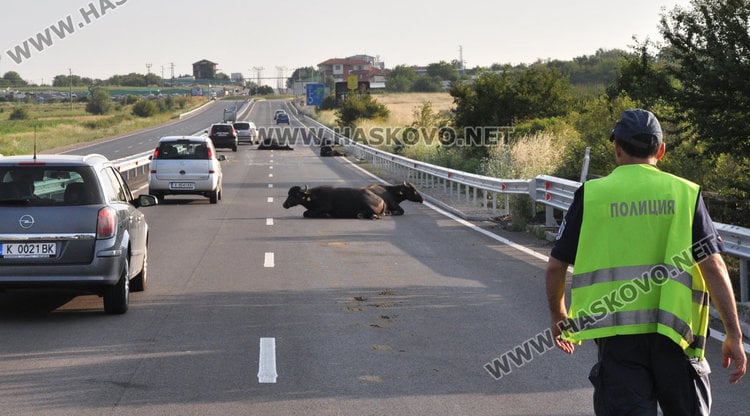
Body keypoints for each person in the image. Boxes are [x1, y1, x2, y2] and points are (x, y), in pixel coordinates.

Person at [545, 109, 746, 415]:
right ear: (661, 151)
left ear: (617, 149)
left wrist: (559, 314)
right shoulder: (685, 194)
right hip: (677, 336)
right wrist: (734, 333)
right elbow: (714, 267)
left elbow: (556, 266)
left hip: (617, 341)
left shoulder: (592, 195)